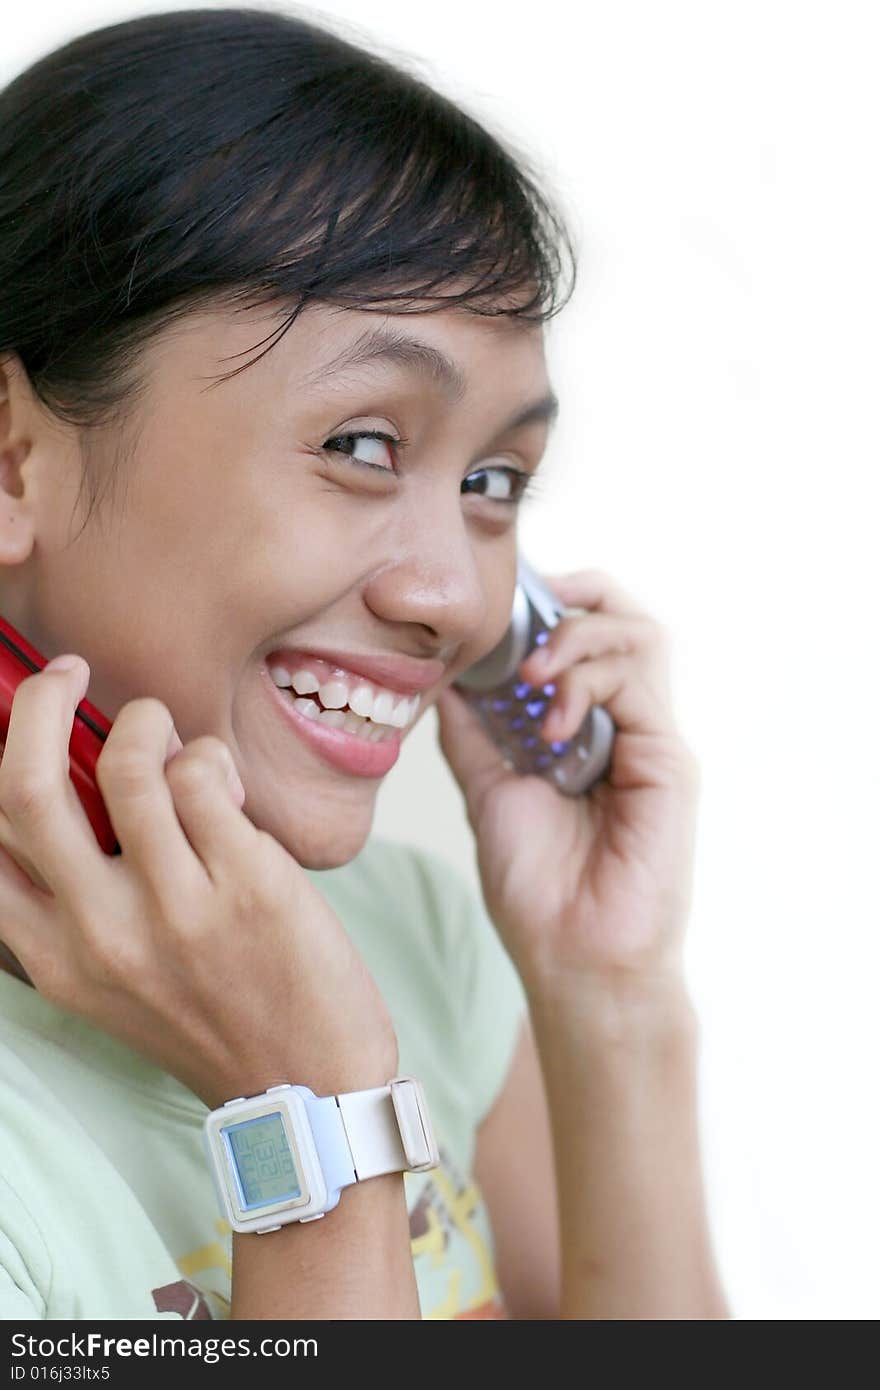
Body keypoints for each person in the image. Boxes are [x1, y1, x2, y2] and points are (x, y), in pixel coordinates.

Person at [0, 7, 729, 1320]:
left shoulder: (417, 939)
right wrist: (315, 1120)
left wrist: (603, 997)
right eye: (364, 446)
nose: (452, 594)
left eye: (496, 480)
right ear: (12, 456)